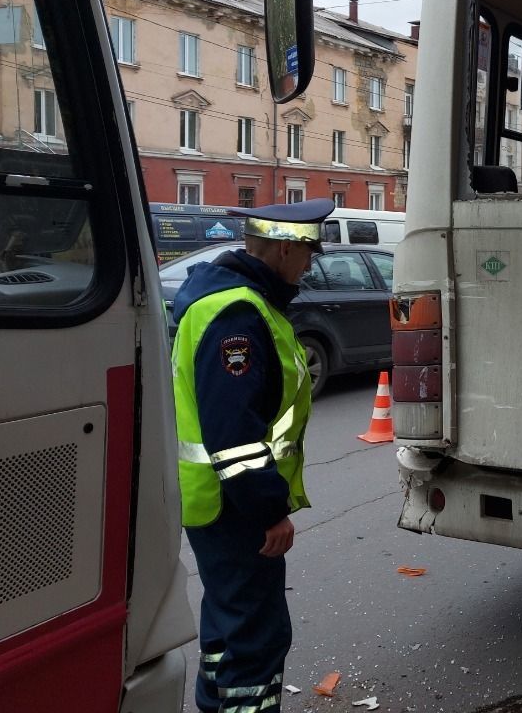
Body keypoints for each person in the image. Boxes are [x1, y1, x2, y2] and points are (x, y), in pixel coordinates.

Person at [170, 198, 335, 713]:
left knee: (227, 627)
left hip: (215, 502)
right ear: (284, 249)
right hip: (235, 507)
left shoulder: (227, 300)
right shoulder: (238, 313)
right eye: (308, 251)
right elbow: (234, 433)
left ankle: (216, 705)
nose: (310, 262)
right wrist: (269, 510)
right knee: (256, 639)